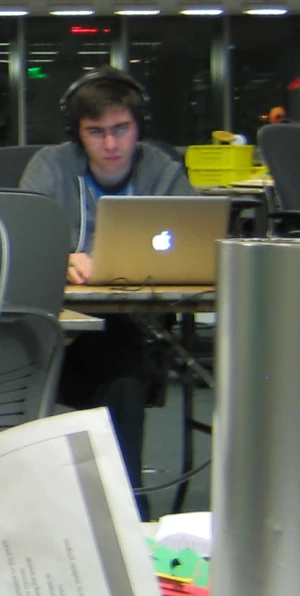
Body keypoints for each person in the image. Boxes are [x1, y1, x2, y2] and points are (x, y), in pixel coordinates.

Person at [18, 68, 192, 509]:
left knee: (121, 369)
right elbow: (24, 234)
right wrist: (60, 256)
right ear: (77, 135)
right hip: (55, 325)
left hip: (126, 324)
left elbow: (191, 241)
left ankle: (124, 508)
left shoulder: (162, 171)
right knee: (111, 368)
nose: (111, 145)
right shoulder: (51, 167)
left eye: (121, 130)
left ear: (139, 129)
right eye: (96, 132)